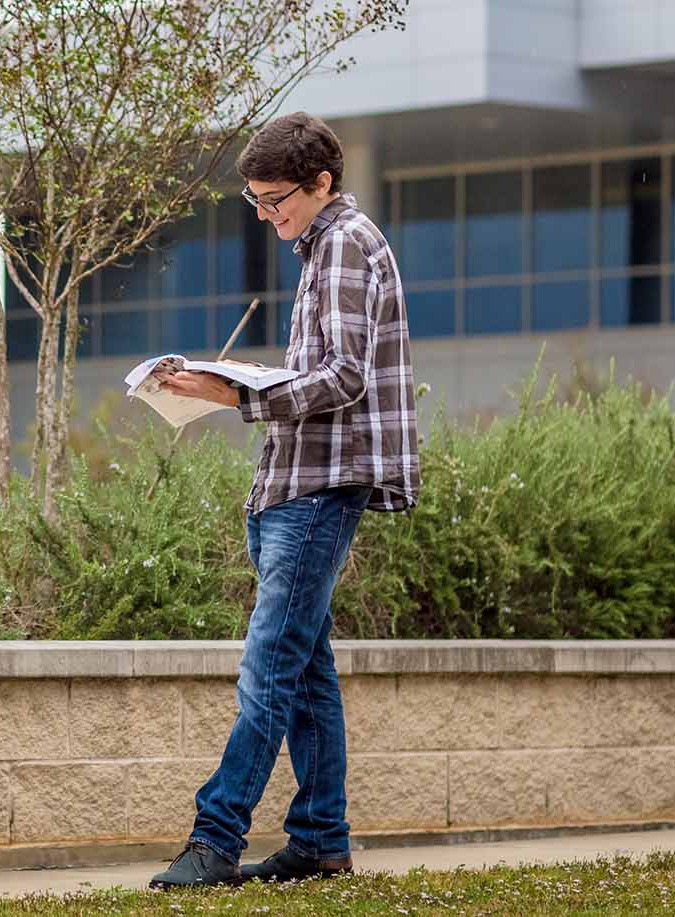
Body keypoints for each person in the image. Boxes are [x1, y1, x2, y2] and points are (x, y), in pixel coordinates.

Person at [146, 112, 420, 888]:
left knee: (267, 670)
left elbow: (342, 377)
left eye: (276, 200)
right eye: (256, 202)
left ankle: (214, 839)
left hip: (320, 487)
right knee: (305, 674)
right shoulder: (324, 246)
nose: (268, 215)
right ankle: (320, 841)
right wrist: (233, 387)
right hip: (297, 484)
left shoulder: (341, 244)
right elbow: (326, 372)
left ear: (322, 181)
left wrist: (233, 391)